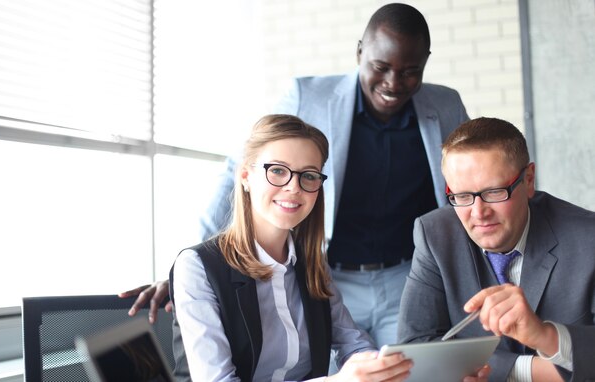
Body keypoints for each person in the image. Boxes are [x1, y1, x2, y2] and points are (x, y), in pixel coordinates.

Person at [121, 2, 469, 350]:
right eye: (381, 67)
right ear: (360, 52)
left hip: (403, 277)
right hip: (328, 276)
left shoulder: (446, 105)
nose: (394, 83)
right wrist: (182, 268)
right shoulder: (307, 95)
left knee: (401, 372)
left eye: (410, 71)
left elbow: (468, 184)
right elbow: (240, 168)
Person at [170, 114, 414, 381]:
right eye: (277, 170)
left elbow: (352, 343)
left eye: (308, 175)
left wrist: (379, 367)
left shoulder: (311, 262)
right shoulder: (197, 267)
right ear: (245, 176)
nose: (293, 187)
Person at [397, 117, 595, 382]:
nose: (479, 213)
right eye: (462, 196)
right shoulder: (434, 234)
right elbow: (414, 348)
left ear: (528, 180)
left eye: (494, 192)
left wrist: (544, 335)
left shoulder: (588, 237)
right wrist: (527, 371)